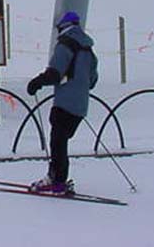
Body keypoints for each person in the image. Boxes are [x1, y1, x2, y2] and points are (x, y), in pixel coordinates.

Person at [26, 11, 99, 195]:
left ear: (62, 27)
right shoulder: (88, 50)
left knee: (58, 143)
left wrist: (36, 83)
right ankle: (57, 178)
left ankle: (57, 181)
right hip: (81, 106)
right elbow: (92, 81)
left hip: (64, 103)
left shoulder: (65, 45)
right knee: (61, 141)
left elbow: (55, 73)